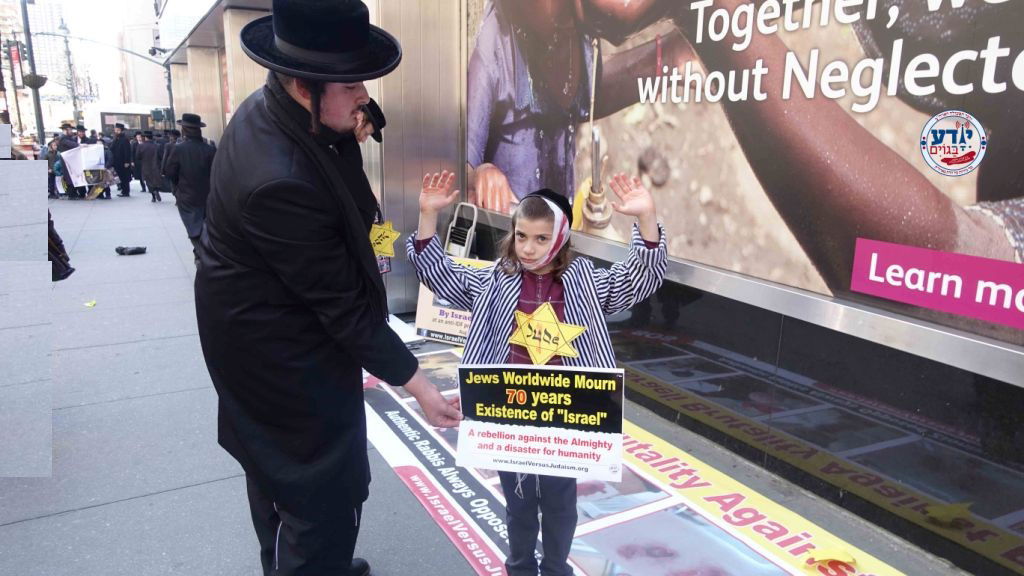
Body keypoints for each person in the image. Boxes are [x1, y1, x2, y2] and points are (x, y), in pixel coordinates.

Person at [194, 2, 462, 575]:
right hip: (279, 356)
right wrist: (419, 384)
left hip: (257, 330)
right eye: (352, 83)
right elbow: (342, 305)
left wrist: (350, 137)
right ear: (302, 84)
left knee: (275, 473)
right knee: (317, 487)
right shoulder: (279, 179)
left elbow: (353, 215)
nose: (365, 95)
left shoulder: (287, 113)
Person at [408, 171, 666, 576]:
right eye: (522, 236)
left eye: (542, 238)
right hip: (509, 409)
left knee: (561, 503)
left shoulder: (582, 281)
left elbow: (638, 278)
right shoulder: (498, 278)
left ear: (561, 237)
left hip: (565, 412)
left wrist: (647, 219)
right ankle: (521, 567)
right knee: (519, 501)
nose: (528, 248)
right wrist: (427, 217)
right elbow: (441, 275)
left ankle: (556, 568)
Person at [467, 0, 693, 213]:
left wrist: (670, 59)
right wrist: (480, 174)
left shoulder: (576, 29)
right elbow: (458, 160)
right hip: (515, 237)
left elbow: (585, 97)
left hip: (557, 231)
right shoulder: (496, 44)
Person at [163, 115, 215, 266]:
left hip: (187, 195)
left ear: (184, 130)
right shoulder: (210, 149)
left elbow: (169, 172)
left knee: (193, 226)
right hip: (207, 194)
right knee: (206, 225)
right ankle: (202, 252)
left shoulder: (178, 149)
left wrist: (177, 187)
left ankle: (201, 254)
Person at [134, 131, 162, 202]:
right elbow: (161, 156)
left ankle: (153, 196)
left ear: (145, 137)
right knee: (155, 181)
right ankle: (156, 190)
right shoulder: (157, 146)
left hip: (145, 166)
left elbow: (137, 157)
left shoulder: (141, 146)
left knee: (148, 182)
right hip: (156, 166)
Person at [111, 123, 133, 197]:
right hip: (117, 161)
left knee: (124, 177)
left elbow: (127, 151)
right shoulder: (116, 139)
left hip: (123, 162)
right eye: (116, 130)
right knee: (120, 177)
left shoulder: (124, 139)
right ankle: (123, 191)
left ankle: (125, 192)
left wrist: (127, 161)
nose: (117, 131)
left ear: (121, 131)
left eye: (118, 130)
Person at [160, 129, 180, 196]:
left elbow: (164, 158)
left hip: (171, 167)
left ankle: (176, 196)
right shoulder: (182, 144)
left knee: (173, 183)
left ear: (171, 136)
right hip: (181, 167)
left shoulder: (168, 145)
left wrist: (162, 170)